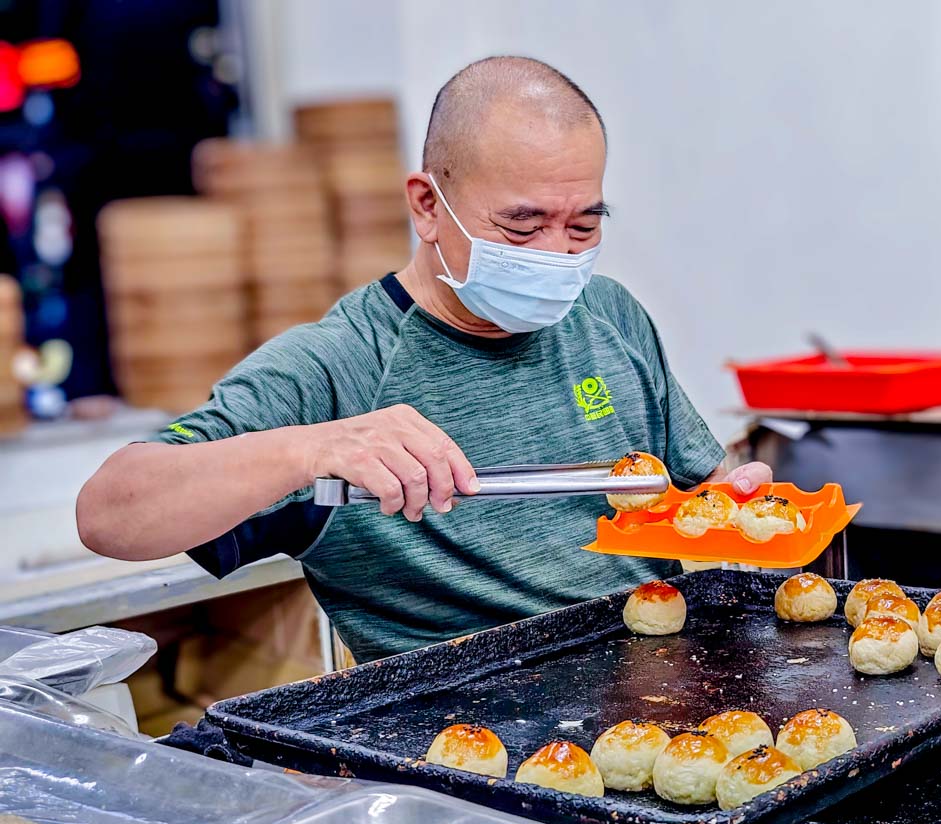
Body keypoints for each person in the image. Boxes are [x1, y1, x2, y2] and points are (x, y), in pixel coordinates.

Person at [77, 56, 771, 662]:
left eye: (584, 225)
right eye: (522, 225)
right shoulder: (337, 366)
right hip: (468, 744)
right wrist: (314, 448)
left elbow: (699, 490)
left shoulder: (608, 315)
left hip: (661, 691)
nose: (559, 254)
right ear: (427, 206)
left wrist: (739, 506)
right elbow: (109, 513)